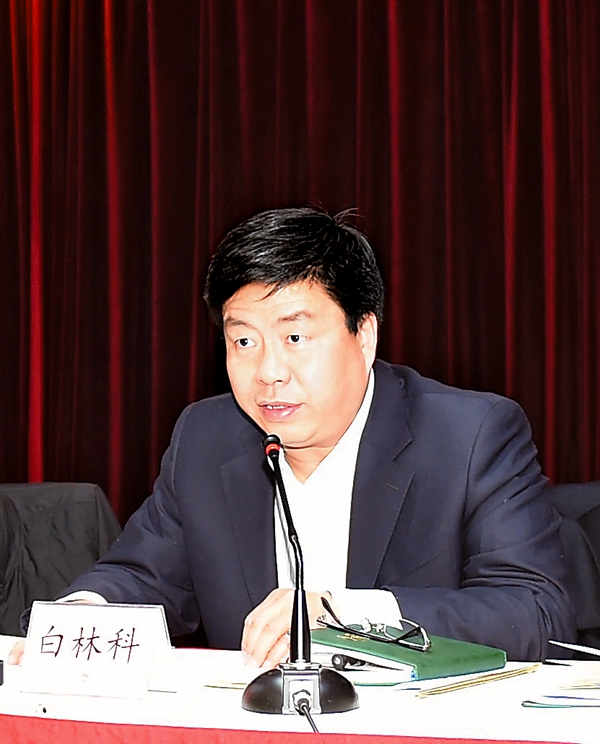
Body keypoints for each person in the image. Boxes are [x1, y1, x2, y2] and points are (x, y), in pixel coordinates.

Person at [9, 207, 574, 667]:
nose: (269, 372)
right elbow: (142, 577)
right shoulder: (207, 438)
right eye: (244, 341)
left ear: (364, 334)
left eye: (295, 337)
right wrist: (76, 618)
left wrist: (345, 615)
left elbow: (537, 613)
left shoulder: (468, 436)